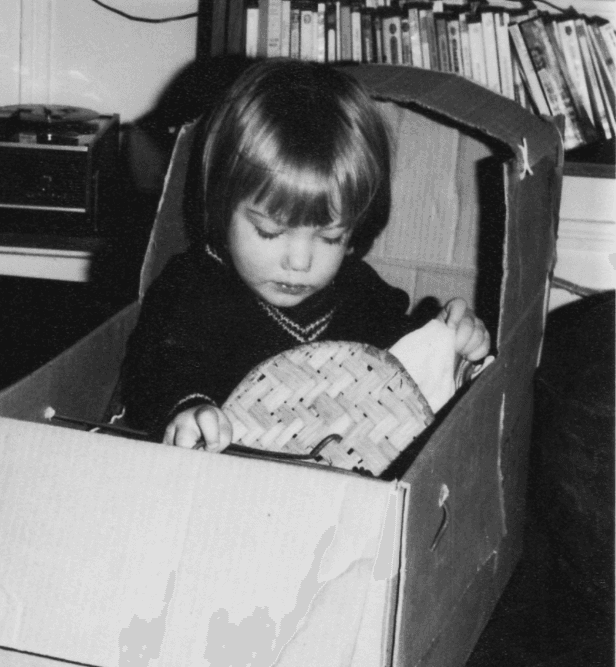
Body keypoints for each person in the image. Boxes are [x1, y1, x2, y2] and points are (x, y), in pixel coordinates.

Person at [120, 59, 490, 451]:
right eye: (270, 231)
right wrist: (188, 408)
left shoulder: (358, 291)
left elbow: (405, 354)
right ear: (221, 209)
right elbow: (157, 367)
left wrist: (451, 341)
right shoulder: (193, 286)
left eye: (330, 237)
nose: (299, 262)